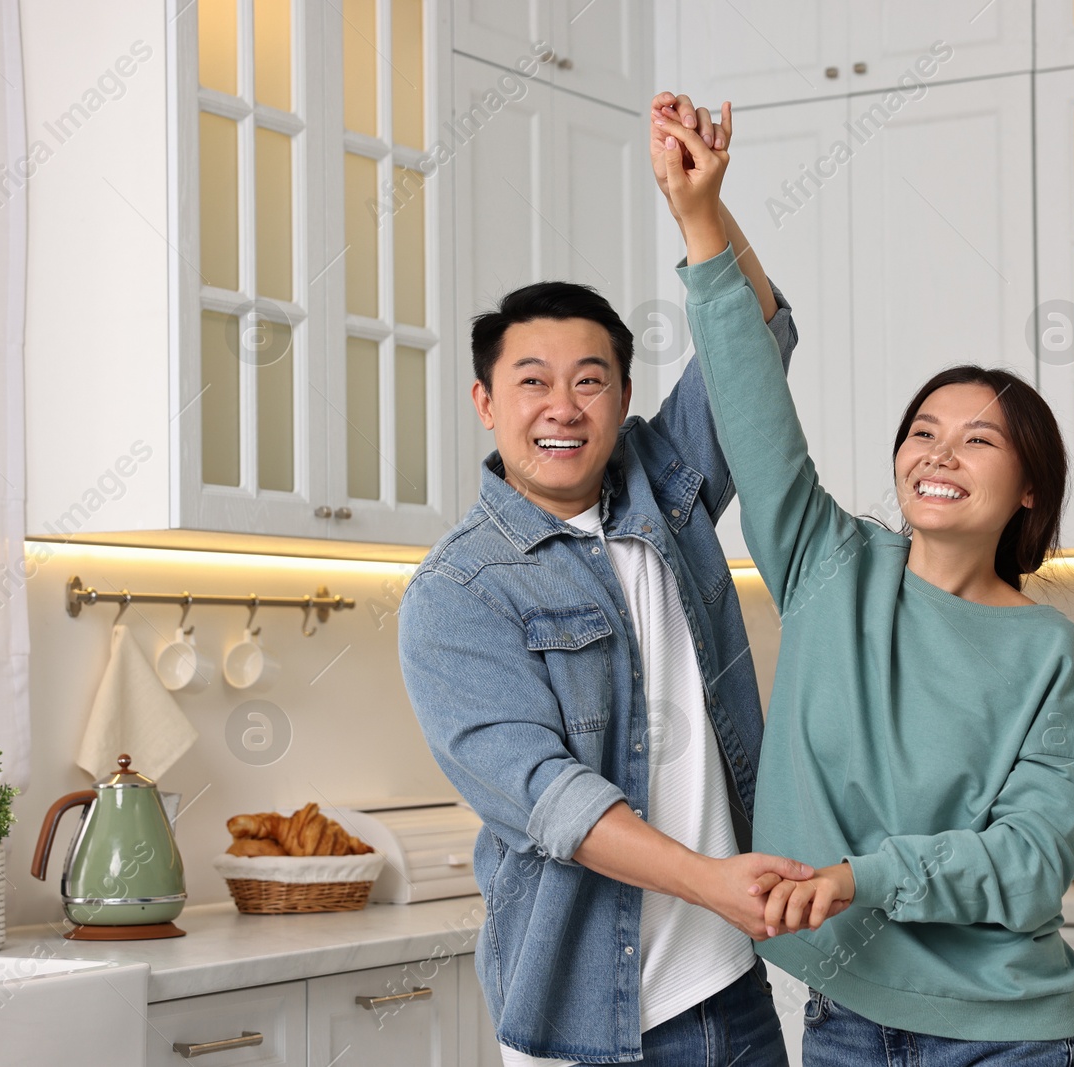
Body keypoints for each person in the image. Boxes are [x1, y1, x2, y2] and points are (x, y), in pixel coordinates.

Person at [652, 94, 1074, 1064]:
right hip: (843, 1023)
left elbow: (1030, 864)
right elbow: (749, 395)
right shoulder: (828, 565)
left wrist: (863, 876)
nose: (938, 453)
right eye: (923, 431)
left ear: (1028, 488)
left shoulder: (1050, 654)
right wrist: (700, 215)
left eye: (978, 439)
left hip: (1011, 1038)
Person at [398, 99, 812, 1065]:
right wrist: (710, 880)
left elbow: (756, 352)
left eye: (590, 380)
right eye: (532, 381)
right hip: (585, 1015)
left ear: (624, 398)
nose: (561, 407)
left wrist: (699, 207)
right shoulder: (458, 591)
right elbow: (550, 798)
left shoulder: (662, 488)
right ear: (485, 401)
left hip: (726, 991)